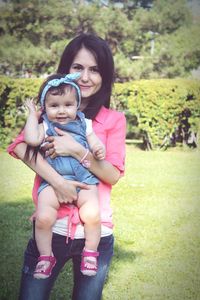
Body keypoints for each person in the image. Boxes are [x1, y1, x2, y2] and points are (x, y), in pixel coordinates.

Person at [7, 33, 126, 300]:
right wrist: (58, 183)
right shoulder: (47, 110)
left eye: (94, 69)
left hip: (96, 231)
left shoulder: (113, 120)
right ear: (66, 69)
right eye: (78, 67)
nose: (85, 77)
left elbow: (112, 174)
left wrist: (76, 149)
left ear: (104, 75)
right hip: (53, 228)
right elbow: (20, 147)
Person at [24, 73, 106, 279]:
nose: (62, 110)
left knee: (93, 215)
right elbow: (31, 139)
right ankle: (45, 257)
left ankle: (90, 252)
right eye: (54, 105)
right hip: (53, 182)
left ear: (77, 105)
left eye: (68, 104)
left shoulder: (84, 123)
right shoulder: (44, 127)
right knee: (43, 218)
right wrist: (32, 117)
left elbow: (93, 140)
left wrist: (97, 148)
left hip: (85, 180)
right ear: (45, 107)